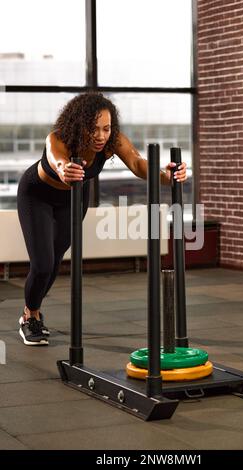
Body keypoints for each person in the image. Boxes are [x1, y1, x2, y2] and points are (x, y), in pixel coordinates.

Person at [17, 92, 187, 346]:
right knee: (42, 263)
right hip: (37, 195)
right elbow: (58, 160)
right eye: (93, 128)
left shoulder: (111, 141)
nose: (100, 136)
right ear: (78, 124)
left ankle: (34, 311)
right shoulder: (58, 138)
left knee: (53, 260)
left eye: (106, 129)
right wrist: (66, 169)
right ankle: (30, 317)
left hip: (74, 198)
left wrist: (168, 176)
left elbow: (139, 164)